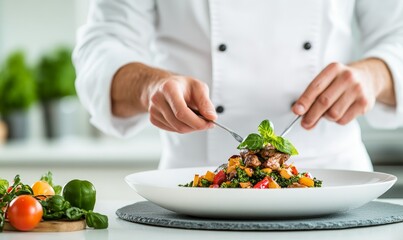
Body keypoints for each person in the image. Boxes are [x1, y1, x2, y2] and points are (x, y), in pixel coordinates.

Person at [73, 1, 403, 171]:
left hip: (335, 182)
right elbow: (102, 46)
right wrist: (150, 86)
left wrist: (375, 75)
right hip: (193, 191)